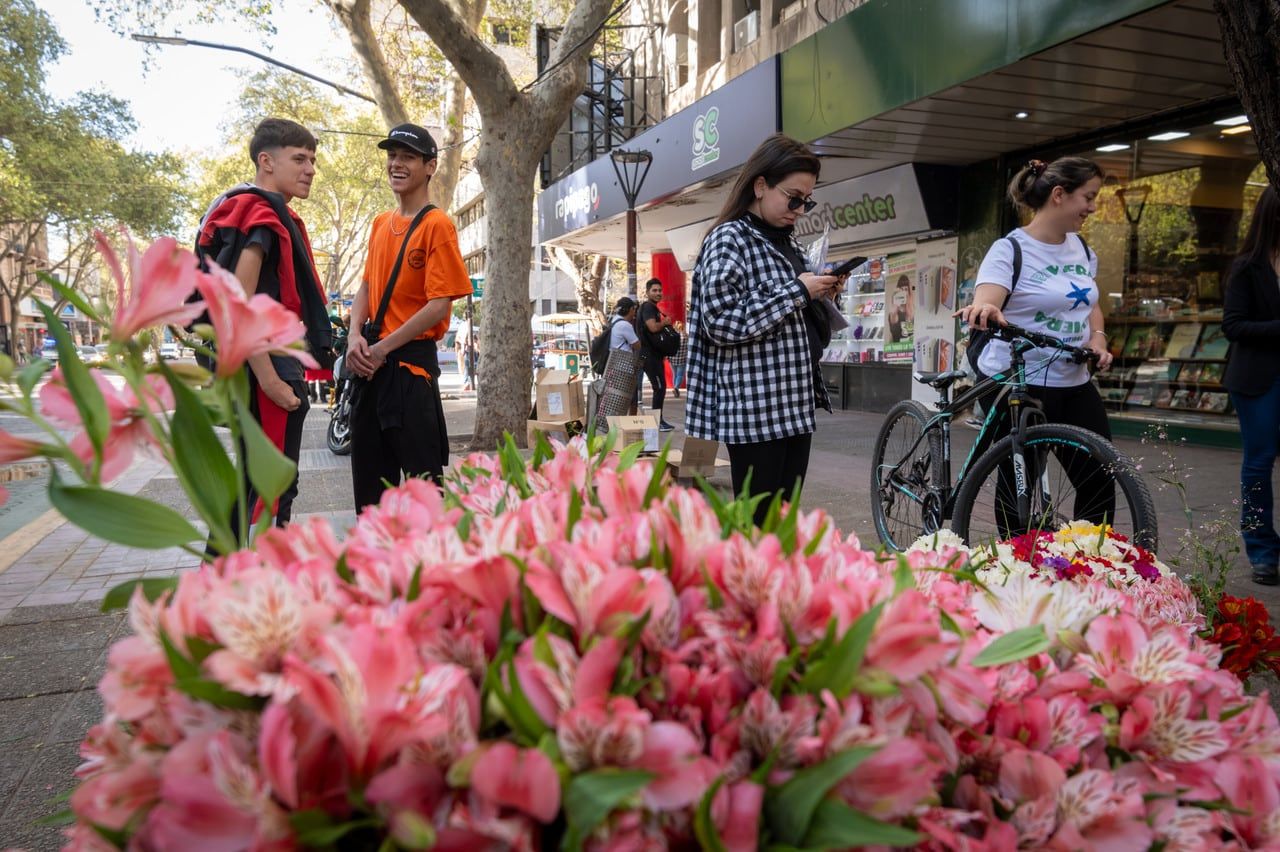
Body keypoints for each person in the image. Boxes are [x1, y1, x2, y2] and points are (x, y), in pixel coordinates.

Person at [684, 132, 842, 523]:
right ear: (760, 185)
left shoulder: (788, 243)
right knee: (756, 527)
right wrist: (797, 290)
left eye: (807, 200)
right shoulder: (729, 239)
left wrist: (820, 295)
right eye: (793, 197)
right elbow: (720, 321)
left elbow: (790, 319)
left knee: (782, 525)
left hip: (794, 404)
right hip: (754, 411)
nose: (800, 209)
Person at [955, 156, 1114, 533]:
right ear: (1059, 195)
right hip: (1017, 378)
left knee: (1101, 475)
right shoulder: (1010, 249)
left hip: (1072, 377)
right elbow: (988, 295)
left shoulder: (1082, 249)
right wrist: (987, 308)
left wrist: (1097, 337)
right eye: (1088, 198)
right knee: (1019, 482)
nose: (1092, 207)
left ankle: (1092, 561)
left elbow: (1090, 303)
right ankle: (1021, 566)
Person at [197, 117, 326, 529]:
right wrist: (270, 379)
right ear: (266, 162)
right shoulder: (260, 217)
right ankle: (255, 580)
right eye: (300, 159)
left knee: (253, 483)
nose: (310, 169)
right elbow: (238, 301)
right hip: (265, 366)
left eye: (313, 160)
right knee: (270, 487)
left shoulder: (256, 211)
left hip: (257, 367)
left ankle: (226, 578)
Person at [346, 123, 473, 511]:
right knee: (370, 495)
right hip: (371, 372)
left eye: (408, 157)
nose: (396, 164)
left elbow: (438, 305)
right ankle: (374, 569)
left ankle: (428, 569)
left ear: (430, 166)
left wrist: (381, 348)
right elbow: (367, 286)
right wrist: (354, 336)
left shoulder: (437, 225)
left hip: (410, 375)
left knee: (423, 493)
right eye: (392, 156)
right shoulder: (380, 224)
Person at [1222, 185, 1280, 586]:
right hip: (1259, 379)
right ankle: (1262, 552)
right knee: (1258, 464)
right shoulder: (1247, 266)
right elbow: (1233, 325)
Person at [595, 297, 642, 426]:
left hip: (612, 365)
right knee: (631, 396)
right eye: (634, 310)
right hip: (624, 366)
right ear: (630, 310)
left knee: (612, 396)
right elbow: (637, 345)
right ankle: (631, 424)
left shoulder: (614, 321)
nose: (634, 313)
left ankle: (608, 422)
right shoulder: (625, 325)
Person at [637, 277, 675, 431]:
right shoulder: (648, 307)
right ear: (647, 292)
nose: (658, 293)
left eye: (660, 290)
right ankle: (657, 422)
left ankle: (658, 420)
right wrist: (665, 323)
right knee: (659, 387)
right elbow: (652, 327)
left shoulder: (651, 308)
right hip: (650, 356)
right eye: (654, 290)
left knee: (660, 387)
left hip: (653, 355)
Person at [886, 274, 915, 343]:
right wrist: (895, 300)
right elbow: (895, 332)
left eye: (906, 289)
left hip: (909, 348)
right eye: (901, 289)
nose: (904, 292)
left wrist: (908, 305)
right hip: (896, 349)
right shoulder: (893, 311)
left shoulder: (912, 311)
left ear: (909, 292)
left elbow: (909, 333)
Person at [670, 321, 688, 398]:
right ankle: (676, 388)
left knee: (675, 374)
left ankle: (675, 388)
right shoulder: (686, 336)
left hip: (672, 358)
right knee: (680, 375)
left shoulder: (672, 336)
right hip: (682, 358)